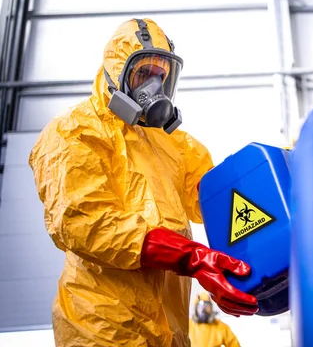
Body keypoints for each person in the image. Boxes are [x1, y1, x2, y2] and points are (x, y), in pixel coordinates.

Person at [28, 18, 259, 347]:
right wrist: (192, 258)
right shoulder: (74, 131)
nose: (153, 86)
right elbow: (84, 223)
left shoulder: (176, 144)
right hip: (102, 328)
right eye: (143, 74)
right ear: (116, 73)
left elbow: (221, 201)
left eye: (160, 76)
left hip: (171, 331)